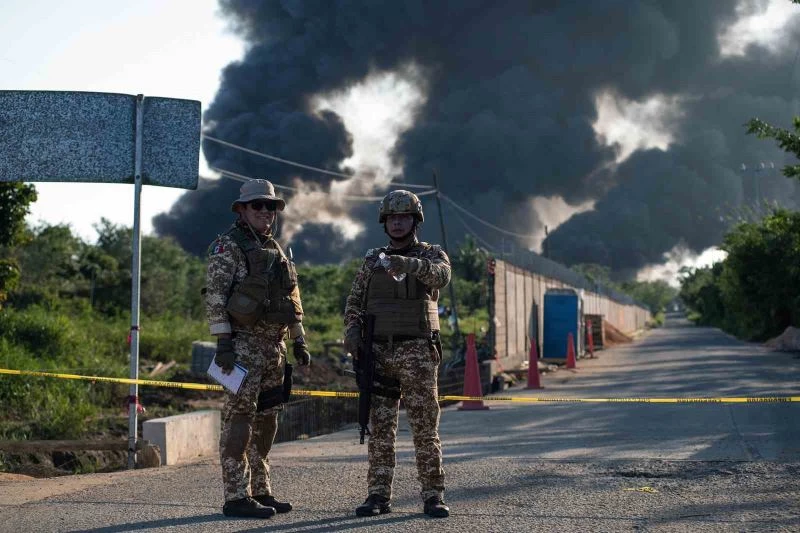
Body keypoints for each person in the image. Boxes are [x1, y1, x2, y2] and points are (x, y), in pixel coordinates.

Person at [205, 179, 312, 519]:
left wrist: (299, 338)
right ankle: (236, 495)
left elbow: (290, 299)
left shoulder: (276, 249)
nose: (266, 212)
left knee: (266, 423)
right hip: (242, 348)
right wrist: (223, 343)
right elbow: (216, 299)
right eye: (258, 206)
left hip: (274, 349)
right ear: (242, 210)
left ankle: (261, 490)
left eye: (271, 207)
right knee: (239, 422)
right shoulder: (227, 247)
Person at [343, 189, 452, 519]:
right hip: (378, 353)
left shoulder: (432, 255)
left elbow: (442, 277)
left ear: (415, 220)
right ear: (384, 222)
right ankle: (378, 494)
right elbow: (354, 302)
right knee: (379, 429)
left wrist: (411, 264)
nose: (398, 223)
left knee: (424, 429)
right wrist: (352, 330)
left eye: (404, 217)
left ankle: (433, 494)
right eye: (392, 218)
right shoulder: (372, 260)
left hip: (417, 351)